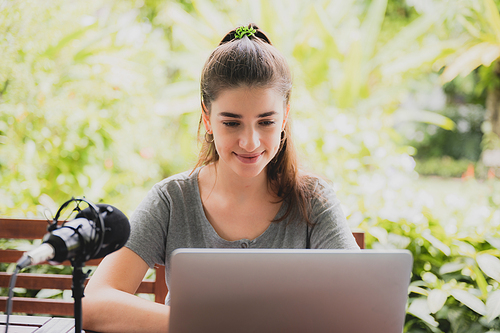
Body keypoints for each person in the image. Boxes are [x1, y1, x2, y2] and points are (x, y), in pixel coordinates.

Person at [82, 23, 359, 333]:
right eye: (232, 123)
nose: (250, 142)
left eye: (266, 122)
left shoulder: (313, 201)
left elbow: (359, 306)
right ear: (207, 118)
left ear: (285, 117)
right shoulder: (172, 200)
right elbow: (94, 303)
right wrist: (203, 325)